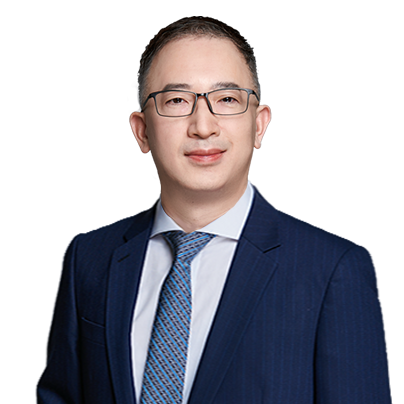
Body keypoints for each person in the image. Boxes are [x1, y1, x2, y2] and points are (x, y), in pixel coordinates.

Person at [37, 16, 391, 404]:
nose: (203, 126)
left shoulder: (332, 271)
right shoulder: (90, 259)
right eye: (176, 101)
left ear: (259, 125)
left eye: (227, 100)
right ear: (141, 130)